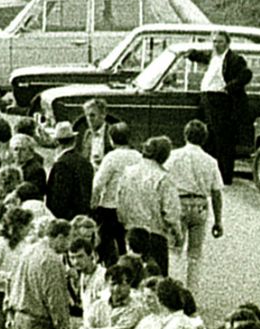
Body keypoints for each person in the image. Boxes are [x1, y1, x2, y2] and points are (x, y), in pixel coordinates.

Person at [164, 119, 225, 294]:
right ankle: (192, 291)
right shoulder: (210, 161)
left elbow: (164, 182)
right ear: (204, 138)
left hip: (179, 203)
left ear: (185, 135)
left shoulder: (173, 157)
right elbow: (216, 192)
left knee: (174, 249)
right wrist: (218, 220)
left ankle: (174, 289)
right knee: (195, 253)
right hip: (200, 206)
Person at [186, 32, 253, 183]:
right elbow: (201, 57)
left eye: (220, 42)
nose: (216, 45)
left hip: (221, 101)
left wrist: (229, 87)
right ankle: (211, 175)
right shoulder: (213, 57)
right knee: (209, 139)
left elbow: (246, 75)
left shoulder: (234, 59)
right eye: (214, 42)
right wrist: (191, 53)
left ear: (227, 44)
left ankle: (224, 176)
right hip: (207, 99)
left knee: (223, 140)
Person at [117, 137, 184, 277]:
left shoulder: (127, 172)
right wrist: (178, 234)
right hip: (155, 234)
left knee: (131, 274)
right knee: (156, 277)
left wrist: (123, 221)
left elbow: (120, 200)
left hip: (131, 231)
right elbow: (171, 212)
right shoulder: (163, 177)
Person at [91, 123, 141, 263]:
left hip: (110, 206)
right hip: (131, 206)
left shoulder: (111, 157)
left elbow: (98, 183)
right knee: (126, 243)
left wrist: (94, 202)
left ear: (111, 139)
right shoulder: (138, 157)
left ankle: (108, 265)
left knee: (104, 244)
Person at [47, 120, 95, 222]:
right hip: (84, 216)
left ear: (57, 142)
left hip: (67, 219)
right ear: (74, 140)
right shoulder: (85, 162)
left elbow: (58, 199)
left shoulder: (61, 164)